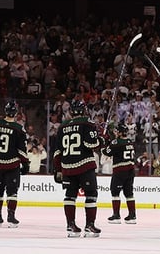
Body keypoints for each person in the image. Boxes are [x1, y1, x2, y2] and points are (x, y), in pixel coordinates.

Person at [53, 99, 103, 238]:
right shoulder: (87, 123)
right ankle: (89, 225)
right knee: (91, 194)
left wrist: (57, 169)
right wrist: (102, 138)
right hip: (84, 165)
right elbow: (91, 143)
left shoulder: (62, 127)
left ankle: (70, 226)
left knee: (70, 196)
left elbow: (57, 151)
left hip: (67, 166)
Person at [0, 100, 29, 228]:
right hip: (12, 165)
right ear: (16, 113)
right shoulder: (19, 129)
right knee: (12, 192)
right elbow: (22, 150)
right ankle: (11, 216)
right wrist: (26, 164)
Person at [102, 124, 137, 224]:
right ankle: (132, 215)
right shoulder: (130, 142)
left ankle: (116, 215)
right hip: (131, 170)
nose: (116, 133)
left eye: (117, 131)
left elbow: (107, 152)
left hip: (120, 170)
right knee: (129, 193)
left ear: (121, 133)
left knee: (115, 192)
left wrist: (105, 143)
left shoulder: (116, 142)